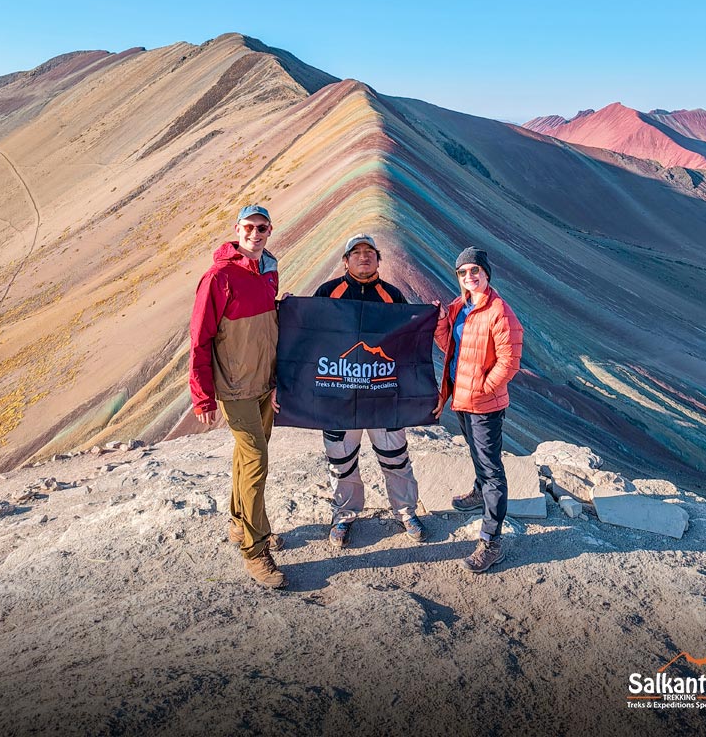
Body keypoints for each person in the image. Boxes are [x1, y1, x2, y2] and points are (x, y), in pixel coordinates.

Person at [189, 204, 287, 589]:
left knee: (246, 460)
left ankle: (238, 522)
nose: (256, 233)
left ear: (269, 230)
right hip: (234, 387)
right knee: (256, 461)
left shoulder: (269, 271)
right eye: (249, 227)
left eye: (262, 227)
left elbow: (269, 328)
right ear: (237, 229)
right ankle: (255, 550)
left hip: (264, 383)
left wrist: (279, 377)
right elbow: (200, 339)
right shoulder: (217, 278)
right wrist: (203, 396)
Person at [312, 234, 427, 549]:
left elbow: (408, 341)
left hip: (381, 394)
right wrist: (292, 309)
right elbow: (309, 334)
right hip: (339, 394)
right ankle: (344, 513)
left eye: (369, 252)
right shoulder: (328, 292)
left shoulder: (392, 296)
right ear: (346, 261)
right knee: (342, 459)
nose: (363, 257)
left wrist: (431, 319)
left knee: (395, 457)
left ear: (378, 259)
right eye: (356, 252)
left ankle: (406, 512)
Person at [434, 247, 523, 574]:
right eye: (463, 272)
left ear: (486, 274)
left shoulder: (499, 311)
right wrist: (442, 321)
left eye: (475, 271)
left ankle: (491, 541)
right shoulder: (461, 307)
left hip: (483, 403)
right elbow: (451, 347)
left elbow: (510, 360)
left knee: (491, 467)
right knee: (476, 452)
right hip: (461, 396)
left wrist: (486, 387)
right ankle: (477, 491)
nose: (469, 277)